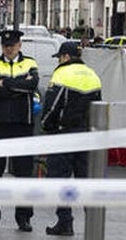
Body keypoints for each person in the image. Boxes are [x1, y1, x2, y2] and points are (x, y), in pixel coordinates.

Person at [41, 41, 102, 236]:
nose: (58, 60)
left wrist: (46, 125)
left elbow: (52, 106)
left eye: (59, 57)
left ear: (66, 57)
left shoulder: (62, 74)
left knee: (59, 179)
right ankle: (94, 224)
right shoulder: (93, 75)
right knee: (85, 180)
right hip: (86, 135)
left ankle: (65, 222)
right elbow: (98, 107)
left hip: (64, 134)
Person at [0, 29, 39, 232]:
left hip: (22, 125)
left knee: (24, 174)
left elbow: (32, 86)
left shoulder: (30, 63)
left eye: (12, 45)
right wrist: (17, 88)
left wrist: (5, 83)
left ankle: (24, 217)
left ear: (19, 45)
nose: (9, 49)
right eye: (6, 46)